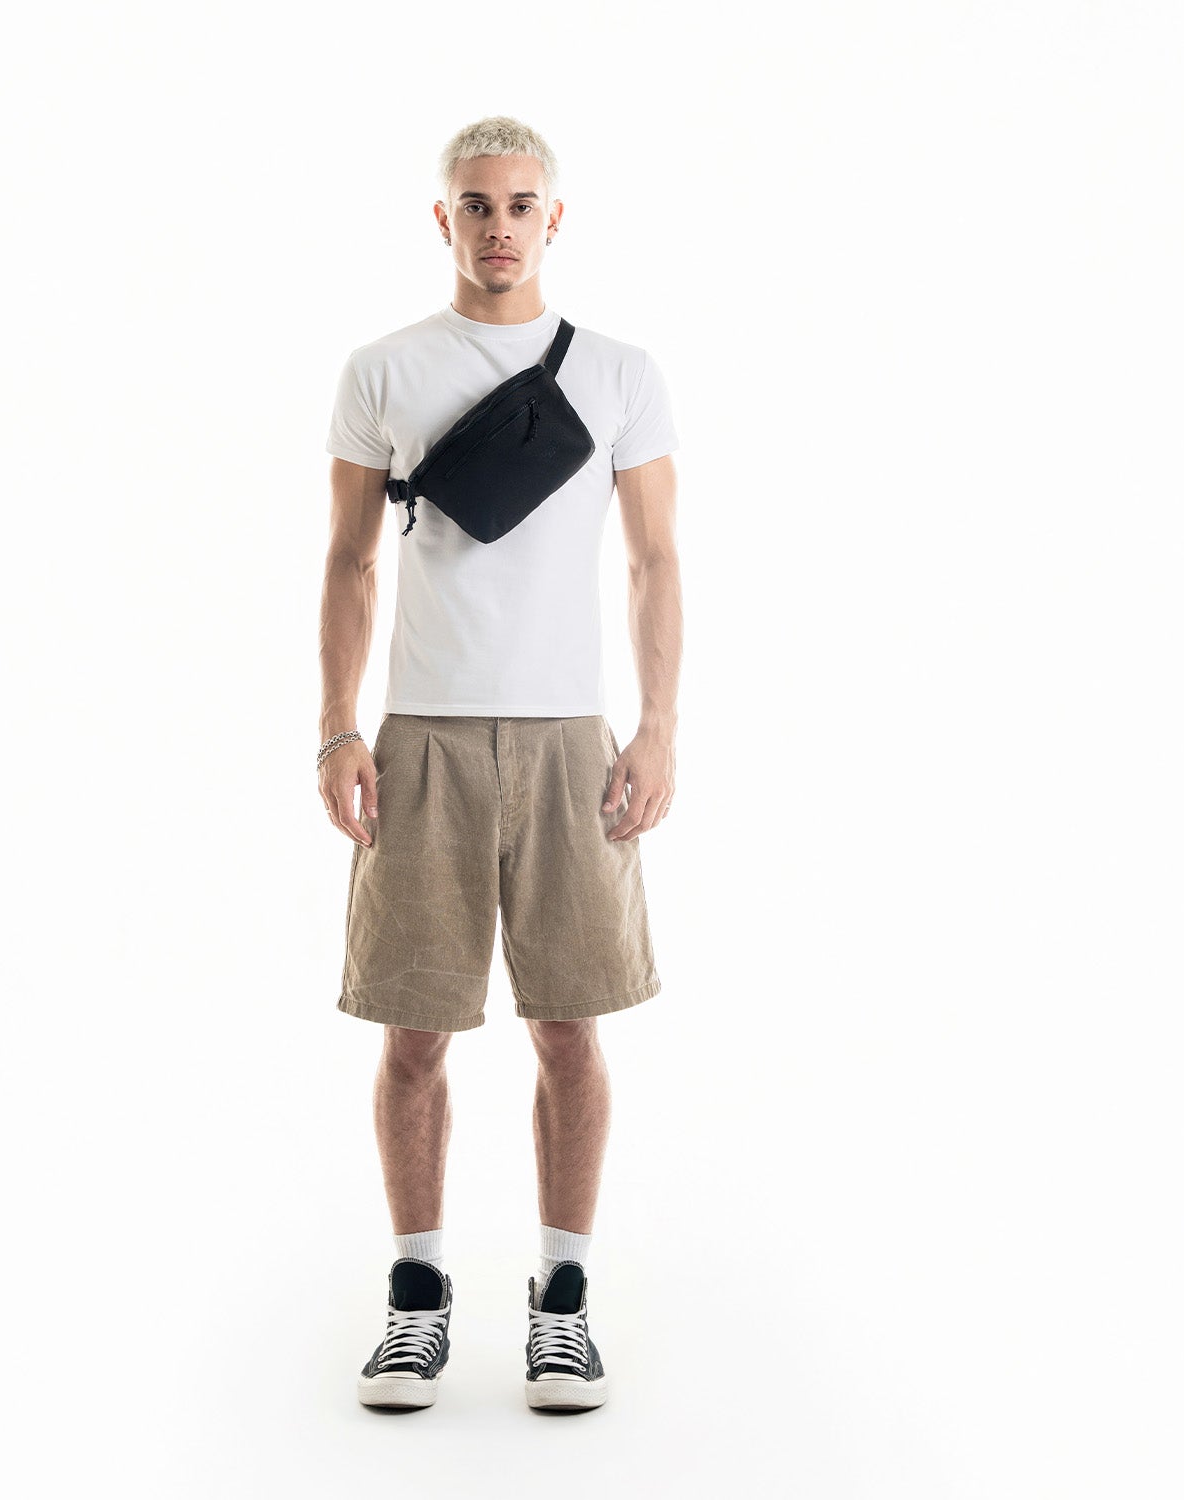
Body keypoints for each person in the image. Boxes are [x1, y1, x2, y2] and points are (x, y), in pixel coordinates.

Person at [317, 116, 682, 1413]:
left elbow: (655, 560)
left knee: (569, 1024)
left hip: (570, 735)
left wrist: (657, 726)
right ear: (444, 219)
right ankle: (416, 1297)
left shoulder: (621, 373)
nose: (499, 226)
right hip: (420, 735)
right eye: (476, 204)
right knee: (414, 1028)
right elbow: (350, 559)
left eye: (522, 204)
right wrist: (338, 726)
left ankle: (562, 1302)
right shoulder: (383, 369)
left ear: (554, 218)